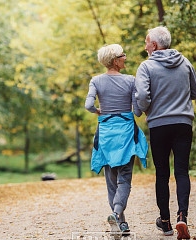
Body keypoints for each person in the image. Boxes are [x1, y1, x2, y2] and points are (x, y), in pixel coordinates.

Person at [135, 26, 196, 239]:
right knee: (181, 171)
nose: (145, 46)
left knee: (162, 173)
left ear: (154, 45)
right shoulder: (185, 62)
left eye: (146, 42)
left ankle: (165, 222)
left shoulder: (146, 67)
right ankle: (182, 216)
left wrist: (148, 110)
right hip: (183, 123)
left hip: (159, 125)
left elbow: (143, 97)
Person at [85, 44, 148, 235]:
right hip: (126, 134)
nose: (125, 58)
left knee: (111, 180)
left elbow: (88, 105)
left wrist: (98, 111)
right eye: (123, 55)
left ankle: (121, 222)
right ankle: (116, 212)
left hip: (105, 135)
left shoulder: (96, 81)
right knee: (125, 178)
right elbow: (137, 111)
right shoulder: (130, 80)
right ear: (115, 60)